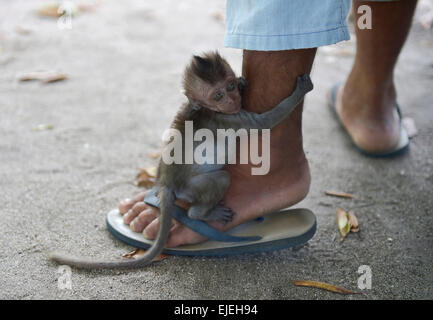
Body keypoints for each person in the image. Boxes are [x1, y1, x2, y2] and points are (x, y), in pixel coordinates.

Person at [118, 0, 417, 247]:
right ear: (198, 103)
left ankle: (367, 96)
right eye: (219, 97)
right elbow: (264, 119)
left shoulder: (204, 109)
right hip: (194, 186)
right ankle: (369, 103)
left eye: (234, 87)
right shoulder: (212, 116)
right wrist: (297, 91)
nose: (233, 100)